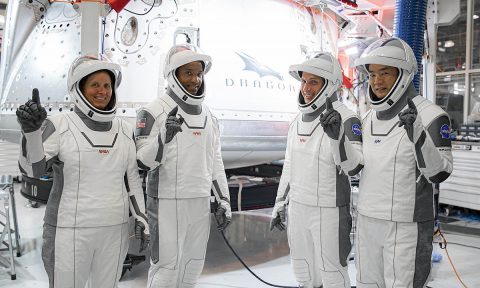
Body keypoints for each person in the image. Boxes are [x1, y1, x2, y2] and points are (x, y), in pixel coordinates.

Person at [16, 55, 149, 288]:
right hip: (69, 231)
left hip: (114, 229)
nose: (102, 91)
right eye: (94, 85)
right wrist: (31, 133)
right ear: (79, 89)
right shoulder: (60, 124)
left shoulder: (125, 129)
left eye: (107, 85)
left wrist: (141, 216)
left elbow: (132, 180)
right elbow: (33, 169)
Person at [353, 37, 453, 287]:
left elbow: (440, 173)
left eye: (385, 73)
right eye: (373, 74)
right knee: (367, 283)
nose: (377, 81)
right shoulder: (367, 118)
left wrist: (419, 136)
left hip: (406, 224)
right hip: (367, 219)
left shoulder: (432, 116)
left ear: (404, 74)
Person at [135, 44, 232, 288]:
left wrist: (224, 200)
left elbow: (215, 161)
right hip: (166, 203)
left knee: (192, 268)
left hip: (199, 203)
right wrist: (163, 139)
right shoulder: (152, 112)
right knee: (166, 270)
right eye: (188, 73)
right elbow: (143, 161)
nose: (195, 79)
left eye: (199, 73)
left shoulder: (209, 115)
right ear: (173, 74)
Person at [270, 52, 362, 288]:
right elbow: (289, 166)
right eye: (303, 81)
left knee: (333, 275)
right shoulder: (296, 121)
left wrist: (337, 137)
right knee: (303, 274)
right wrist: (280, 204)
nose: (306, 88)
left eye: (313, 82)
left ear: (329, 84)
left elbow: (354, 168)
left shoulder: (348, 119)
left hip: (329, 211)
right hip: (298, 209)